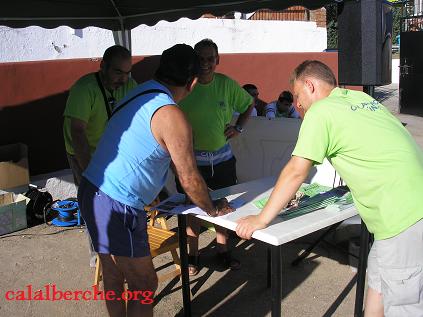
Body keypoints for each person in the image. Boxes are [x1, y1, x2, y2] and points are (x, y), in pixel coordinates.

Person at [236, 60, 423, 317]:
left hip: (403, 218)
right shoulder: (358, 98)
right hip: (404, 212)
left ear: (310, 85)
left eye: (298, 96)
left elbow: (296, 171)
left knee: (405, 307)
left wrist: (261, 218)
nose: (298, 105)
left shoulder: (321, 111)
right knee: (378, 285)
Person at [78, 44, 234, 317]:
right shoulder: (172, 115)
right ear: (193, 81)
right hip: (118, 203)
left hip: (92, 189)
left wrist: (160, 188)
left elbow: (156, 154)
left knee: (114, 277)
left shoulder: (139, 91)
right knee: (144, 283)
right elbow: (188, 177)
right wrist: (213, 208)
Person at [177, 39, 255, 275]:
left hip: (222, 161)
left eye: (210, 58)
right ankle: (192, 256)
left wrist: (238, 128)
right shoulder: (185, 87)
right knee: (192, 210)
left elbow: (248, 104)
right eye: (200, 59)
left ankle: (223, 252)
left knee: (223, 207)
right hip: (192, 163)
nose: (205, 63)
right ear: (193, 61)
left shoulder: (227, 84)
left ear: (217, 60)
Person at [63, 45, 137, 186]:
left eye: (127, 73)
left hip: (109, 148)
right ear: (103, 66)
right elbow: (78, 132)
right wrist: (91, 174)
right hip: (82, 150)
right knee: (90, 194)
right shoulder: (84, 89)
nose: (123, 79)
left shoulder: (129, 85)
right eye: (118, 72)